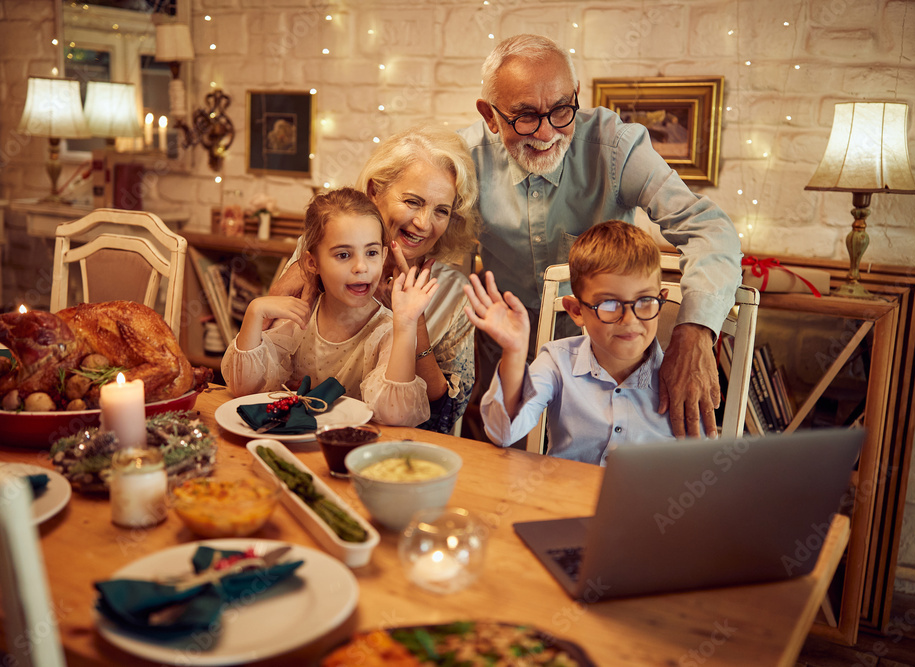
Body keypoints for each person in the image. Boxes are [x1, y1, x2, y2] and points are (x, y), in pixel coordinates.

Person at [458, 34, 742, 439]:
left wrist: (695, 330)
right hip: (508, 360)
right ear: (489, 115)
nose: (545, 134)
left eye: (560, 110)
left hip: (607, 359)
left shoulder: (616, 146)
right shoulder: (463, 157)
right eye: (524, 116)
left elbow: (709, 228)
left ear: (576, 95)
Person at [269, 126, 480, 434]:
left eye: (441, 211)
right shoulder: (316, 255)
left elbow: (445, 417)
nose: (423, 223)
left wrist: (414, 324)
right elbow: (264, 356)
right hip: (301, 435)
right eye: (412, 202)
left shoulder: (454, 295)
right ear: (373, 191)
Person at [465, 221, 693, 464]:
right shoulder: (557, 362)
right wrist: (514, 351)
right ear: (576, 310)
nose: (630, 319)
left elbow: (695, 468)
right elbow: (502, 434)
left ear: (661, 301)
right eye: (609, 303)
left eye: (645, 300)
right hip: (565, 497)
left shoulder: (683, 377)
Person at [221, 188, 438, 427]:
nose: (361, 267)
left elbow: (396, 415)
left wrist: (407, 325)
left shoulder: (388, 331)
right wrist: (254, 311)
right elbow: (243, 388)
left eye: (372, 252)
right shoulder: (300, 318)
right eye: (344, 254)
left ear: (385, 255)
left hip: (353, 452)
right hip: (295, 443)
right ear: (312, 263)